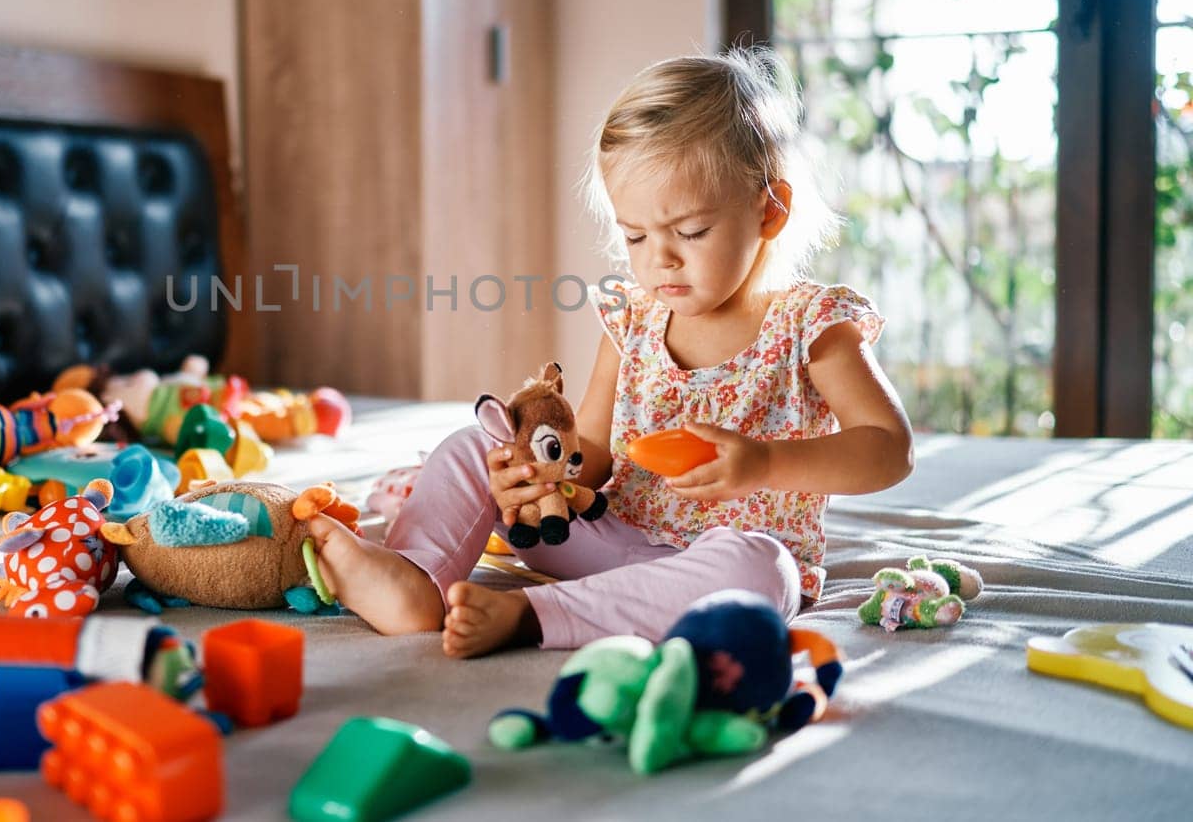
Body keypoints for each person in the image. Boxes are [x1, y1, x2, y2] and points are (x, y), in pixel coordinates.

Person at [311, 48, 915, 657]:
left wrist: (763, 464)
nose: (661, 258)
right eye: (636, 235)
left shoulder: (808, 324)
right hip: (599, 538)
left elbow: (890, 449)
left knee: (762, 574)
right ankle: (416, 577)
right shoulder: (633, 317)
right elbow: (592, 456)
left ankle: (531, 615)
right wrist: (535, 473)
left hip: (714, 567)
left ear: (770, 209)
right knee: (479, 446)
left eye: (691, 232)